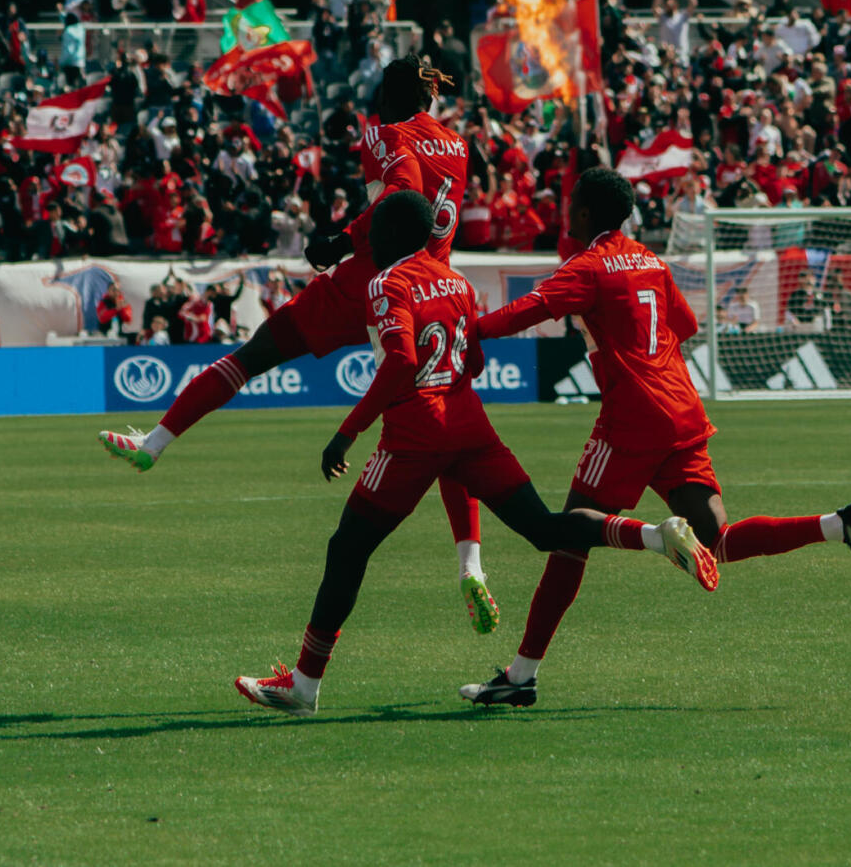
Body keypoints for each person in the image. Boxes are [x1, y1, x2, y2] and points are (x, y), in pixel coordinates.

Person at [230, 190, 717, 715]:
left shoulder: (385, 282)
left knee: (348, 548)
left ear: (389, 236)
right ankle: (650, 535)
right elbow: (475, 362)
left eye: (373, 234)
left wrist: (347, 433)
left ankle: (304, 685)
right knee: (545, 528)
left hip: (413, 436)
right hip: (471, 429)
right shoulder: (458, 283)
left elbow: (398, 362)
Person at [457, 169, 851, 707]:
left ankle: (523, 675)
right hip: (682, 409)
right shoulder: (650, 259)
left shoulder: (588, 266)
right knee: (718, 539)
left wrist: (467, 329)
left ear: (585, 213)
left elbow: (528, 311)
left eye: (573, 204)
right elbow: (683, 325)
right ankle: (838, 524)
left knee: (568, 539)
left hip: (633, 419)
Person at [99, 57, 504, 630]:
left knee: (253, 355)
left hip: (371, 280)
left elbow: (402, 193)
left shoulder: (386, 132)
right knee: (443, 425)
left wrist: (343, 238)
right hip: (433, 289)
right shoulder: (458, 147)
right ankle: (472, 567)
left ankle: (155, 444)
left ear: (388, 95)